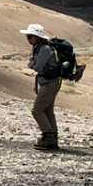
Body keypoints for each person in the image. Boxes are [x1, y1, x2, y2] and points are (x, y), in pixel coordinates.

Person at [22, 23, 63, 151]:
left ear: (37, 37)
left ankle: (48, 136)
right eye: (28, 36)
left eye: (30, 36)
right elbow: (33, 65)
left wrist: (33, 64)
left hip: (49, 83)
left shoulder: (44, 49)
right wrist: (33, 64)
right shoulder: (38, 48)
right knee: (48, 111)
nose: (28, 39)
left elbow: (36, 67)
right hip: (49, 83)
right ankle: (53, 139)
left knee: (37, 111)